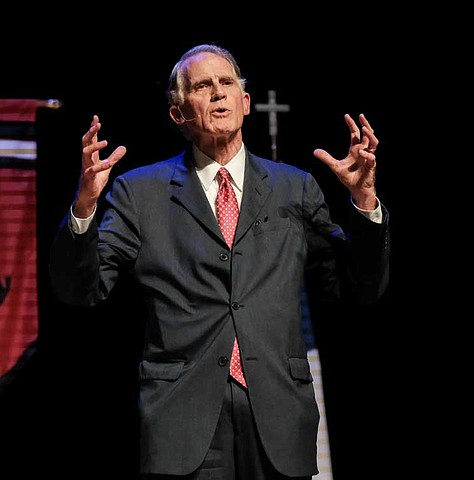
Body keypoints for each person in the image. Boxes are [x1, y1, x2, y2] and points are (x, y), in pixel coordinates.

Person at [48, 43, 390, 480]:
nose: (217, 94)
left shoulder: (295, 188)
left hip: (279, 415)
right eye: (203, 86)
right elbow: (82, 289)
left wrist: (364, 203)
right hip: (184, 419)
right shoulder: (141, 193)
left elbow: (357, 286)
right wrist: (83, 209)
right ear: (178, 114)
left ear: (245, 103)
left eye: (227, 83)